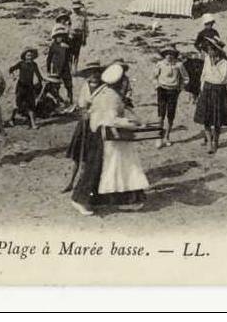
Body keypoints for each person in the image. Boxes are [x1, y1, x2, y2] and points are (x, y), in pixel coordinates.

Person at [70, 63, 150, 215]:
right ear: (119, 82)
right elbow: (111, 119)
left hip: (108, 135)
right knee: (97, 168)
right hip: (103, 135)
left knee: (119, 167)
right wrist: (131, 123)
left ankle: (126, 199)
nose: (127, 85)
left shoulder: (107, 92)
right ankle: (80, 199)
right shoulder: (111, 96)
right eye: (125, 82)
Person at [63, 59, 104, 192]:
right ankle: (71, 182)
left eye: (96, 72)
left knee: (90, 157)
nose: (94, 75)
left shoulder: (104, 88)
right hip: (84, 124)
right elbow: (81, 104)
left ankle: (85, 185)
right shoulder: (85, 87)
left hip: (97, 124)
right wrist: (84, 111)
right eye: (91, 73)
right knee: (77, 155)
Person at [194, 35, 227, 154]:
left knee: (217, 119)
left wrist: (214, 66)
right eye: (208, 49)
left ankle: (216, 141)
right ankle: (209, 142)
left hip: (219, 91)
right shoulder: (206, 59)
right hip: (207, 89)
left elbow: (223, 79)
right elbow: (204, 75)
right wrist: (201, 90)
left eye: (211, 49)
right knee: (206, 119)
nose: (209, 51)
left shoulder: (224, 63)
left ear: (217, 50)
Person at [8, 46, 44, 129]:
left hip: (30, 87)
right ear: (24, 56)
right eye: (28, 55)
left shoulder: (34, 65)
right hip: (21, 87)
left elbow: (39, 75)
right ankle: (11, 119)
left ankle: (33, 124)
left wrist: (42, 80)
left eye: (31, 56)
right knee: (17, 104)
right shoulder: (21, 64)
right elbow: (11, 69)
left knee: (31, 105)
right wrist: (13, 76)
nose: (29, 57)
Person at [45, 24, 73, 104]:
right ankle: (58, 101)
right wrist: (48, 69)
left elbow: (70, 56)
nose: (59, 38)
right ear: (55, 37)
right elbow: (49, 58)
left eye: (61, 36)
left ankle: (70, 100)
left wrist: (68, 48)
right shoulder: (53, 46)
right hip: (56, 68)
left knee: (69, 85)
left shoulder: (66, 46)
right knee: (55, 86)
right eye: (58, 36)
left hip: (65, 68)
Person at [69, 1, 89, 70]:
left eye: (77, 8)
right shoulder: (71, 17)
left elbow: (85, 28)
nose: (76, 10)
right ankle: (70, 68)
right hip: (72, 36)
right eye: (75, 9)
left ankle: (75, 68)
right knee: (70, 53)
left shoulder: (83, 17)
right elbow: (68, 27)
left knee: (77, 53)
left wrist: (85, 38)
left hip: (79, 36)